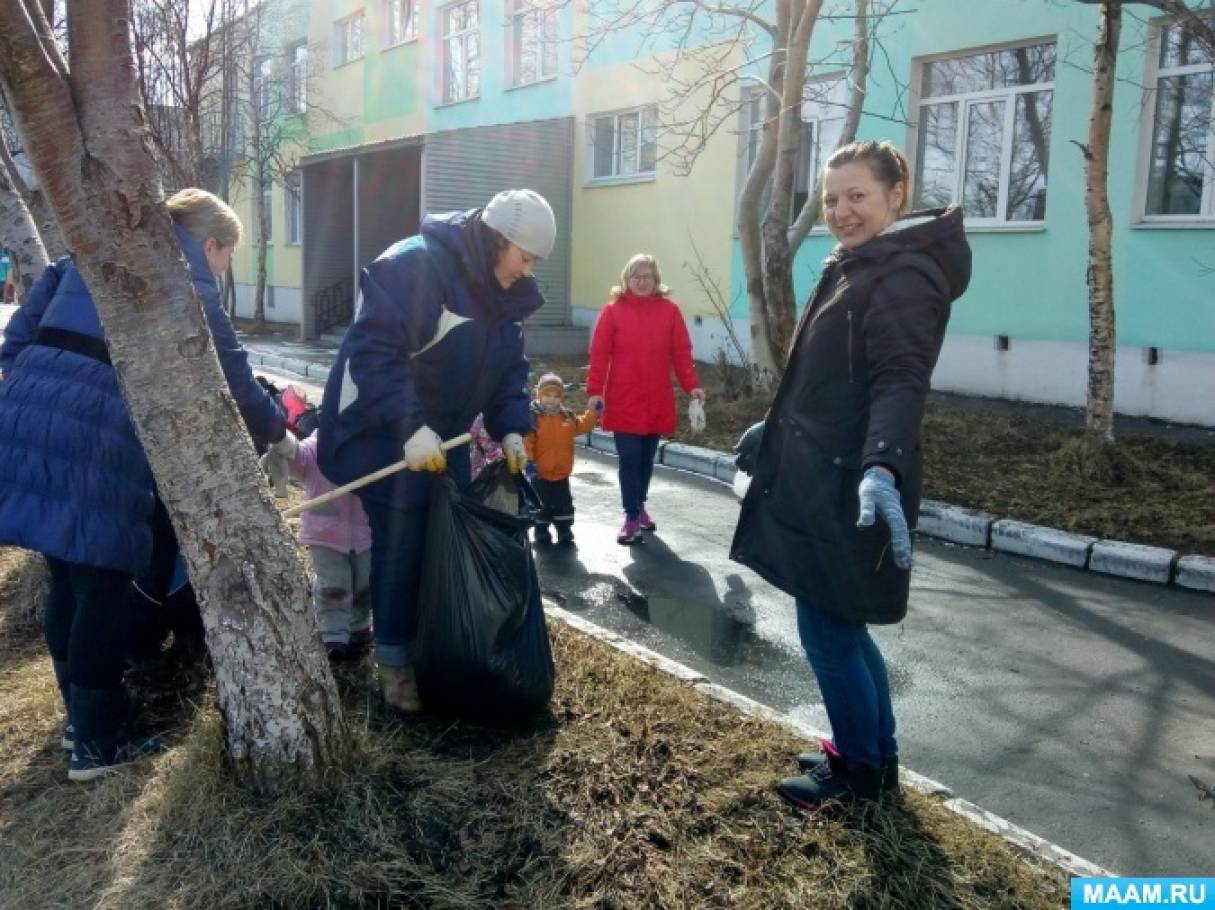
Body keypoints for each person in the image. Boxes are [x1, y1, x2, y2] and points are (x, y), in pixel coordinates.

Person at [0, 188, 292, 781]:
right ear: (210, 243)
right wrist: (278, 431)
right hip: (98, 435)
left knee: (68, 576)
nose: (219, 269)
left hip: (24, 420)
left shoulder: (84, 257)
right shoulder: (183, 280)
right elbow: (230, 371)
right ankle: (100, 742)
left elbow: (14, 343)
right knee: (104, 585)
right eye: (224, 257)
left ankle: (81, 722)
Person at [730, 140, 971, 809]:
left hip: (851, 484)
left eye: (856, 196)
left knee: (827, 632)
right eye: (831, 198)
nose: (839, 211)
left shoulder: (902, 275)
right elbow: (830, 377)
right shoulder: (861, 264)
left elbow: (900, 381)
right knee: (841, 625)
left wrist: (882, 467)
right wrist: (771, 429)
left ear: (896, 194)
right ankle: (872, 756)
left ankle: (860, 775)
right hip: (823, 471)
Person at [316, 188, 554, 715]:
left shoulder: (505, 292)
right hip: (381, 432)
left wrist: (512, 425)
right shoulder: (414, 267)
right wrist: (410, 427)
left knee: (441, 536)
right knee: (402, 540)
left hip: (440, 440)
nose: (528, 269)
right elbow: (373, 354)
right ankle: (396, 669)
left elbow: (509, 368)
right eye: (526, 256)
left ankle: (435, 645)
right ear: (498, 240)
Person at [586, 254, 704, 545]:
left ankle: (639, 506)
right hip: (623, 397)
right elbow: (599, 355)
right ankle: (630, 515)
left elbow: (681, 354)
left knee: (646, 461)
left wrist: (693, 387)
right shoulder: (613, 312)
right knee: (629, 459)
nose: (641, 281)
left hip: (656, 398)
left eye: (647, 276)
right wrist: (594, 391)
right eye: (636, 276)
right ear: (626, 279)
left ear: (656, 281)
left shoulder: (670, 311)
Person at [278, 429, 374, 661]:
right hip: (326, 535)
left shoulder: (373, 446)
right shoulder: (317, 447)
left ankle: (359, 627)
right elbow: (298, 456)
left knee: (365, 582)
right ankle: (333, 636)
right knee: (334, 585)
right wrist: (282, 442)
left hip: (364, 532)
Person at [524, 372, 598, 546]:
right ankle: (541, 530)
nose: (551, 399)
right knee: (541, 504)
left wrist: (593, 413)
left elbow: (582, 424)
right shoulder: (533, 418)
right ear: (539, 395)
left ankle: (564, 528)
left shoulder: (566, 416)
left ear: (561, 398)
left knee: (563, 503)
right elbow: (527, 442)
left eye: (555, 396)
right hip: (539, 473)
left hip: (562, 472)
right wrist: (529, 463)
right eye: (547, 395)